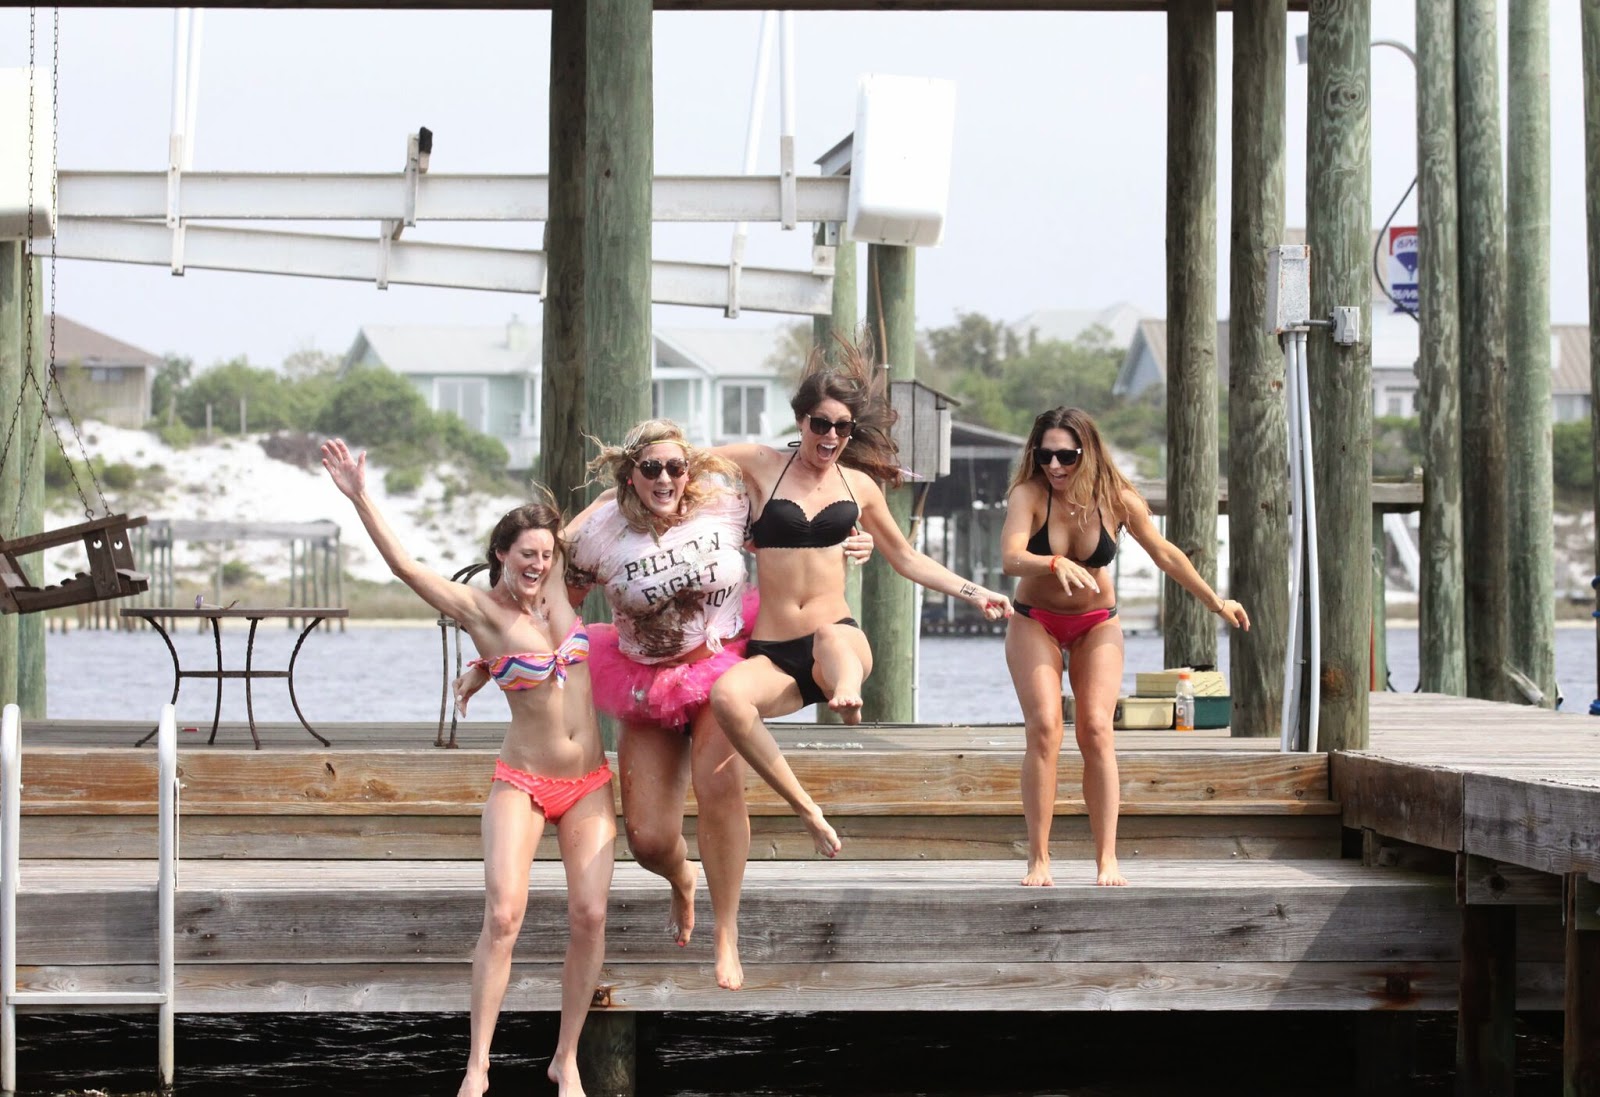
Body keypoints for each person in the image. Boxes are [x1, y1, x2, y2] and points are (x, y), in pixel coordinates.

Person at [456, 419, 875, 992]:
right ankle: (682, 878)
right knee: (648, 839)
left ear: (688, 471)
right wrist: (491, 661)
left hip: (720, 661)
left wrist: (855, 539)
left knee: (718, 784)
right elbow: (543, 608)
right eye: (651, 467)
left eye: (675, 467)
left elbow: (795, 531)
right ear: (631, 473)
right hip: (644, 676)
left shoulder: (725, 505)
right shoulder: (601, 529)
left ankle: (725, 932)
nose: (665, 478)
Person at [320, 438, 612, 1097]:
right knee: (504, 915)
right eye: (526, 554)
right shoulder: (480, 610)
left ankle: (566, 1058)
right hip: (523, 781)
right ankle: (478, 1065)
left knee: (590, 914)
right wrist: (360, 496)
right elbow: (405, 567)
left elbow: (610, 500)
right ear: (501, 554)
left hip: (589, 782)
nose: (539, 564)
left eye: (546, 554)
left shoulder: (561, 588)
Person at [709, 343, 1014, 860]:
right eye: (821, 424)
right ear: (801, 421)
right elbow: (679, 462)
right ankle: (808, 809)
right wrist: (621, 486)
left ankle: (847, 696)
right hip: (775, 654)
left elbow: (907, 558)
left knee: (830, 636)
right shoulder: (761, 465)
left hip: (839, 644)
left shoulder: (860, 486)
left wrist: (975, 591)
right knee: (726, 698)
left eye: (842, 427)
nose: (831, 436)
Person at [999, 407, 1250, 889]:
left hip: (1096, 622)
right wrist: (1051, 563)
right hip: (1036, 621)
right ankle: (1039, 859)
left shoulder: (1116, 499)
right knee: (1045, 728)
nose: (1055, 466)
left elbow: (1165, 554)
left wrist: (1217, 603)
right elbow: (1011, 557)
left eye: (1066, 456)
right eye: (1045, 456)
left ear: (1088, 453)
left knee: (1096, 729)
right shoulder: (1029, 495)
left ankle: (1107, 859)